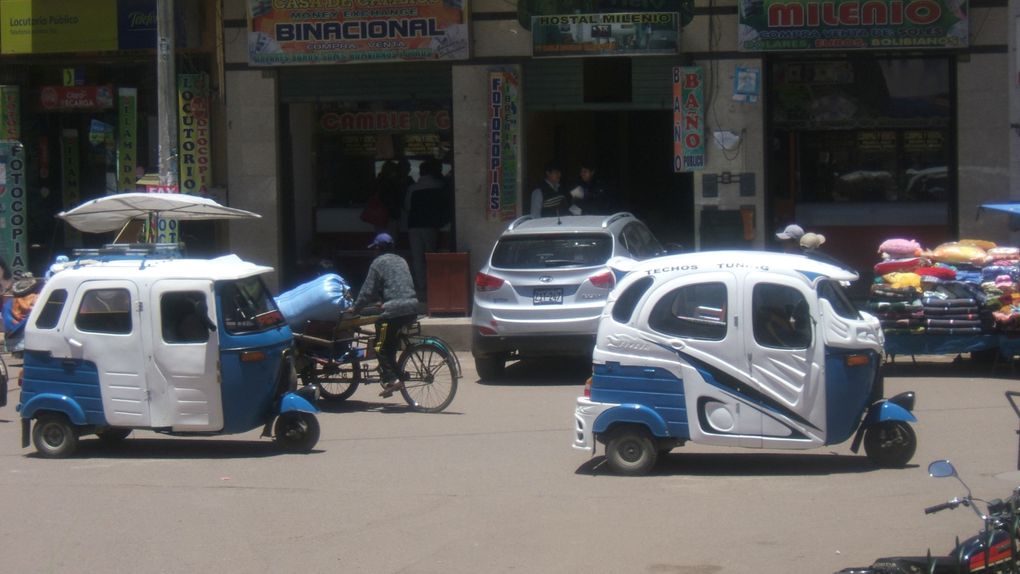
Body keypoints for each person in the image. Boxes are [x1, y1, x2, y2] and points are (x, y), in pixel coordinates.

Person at [349, 232, 420, 397]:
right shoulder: (402, 260)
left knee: (379, 346)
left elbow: (368, 291)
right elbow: (398, 285)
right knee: (390, 345)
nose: (374, 252)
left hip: (393, 311)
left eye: (375, 249)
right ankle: (396, 375)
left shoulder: (378, 263)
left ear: (379, 249)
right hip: (411, 307)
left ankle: (391, 379)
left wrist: (356, 308)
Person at [404, 158, 452, 296]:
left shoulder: (413, 188)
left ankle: (421, 285)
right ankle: (434, 283)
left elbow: (407, 207)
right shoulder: (439, 185)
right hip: (431, 226)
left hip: (413, 225)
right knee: (431, 255)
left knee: (417, 257)